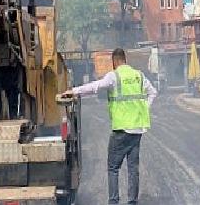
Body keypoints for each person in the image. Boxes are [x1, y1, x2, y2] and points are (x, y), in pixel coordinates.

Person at [61, 48, 157, 205]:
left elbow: (95, 86)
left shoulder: (115, 76)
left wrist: (74, 91)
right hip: (137, 129)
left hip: (121, 130)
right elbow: (153, 92)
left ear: (115, 61)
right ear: (125, 59)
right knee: (133, 168)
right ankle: (132, 202)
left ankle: (113, 201)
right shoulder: (139, 76)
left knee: (113, 168)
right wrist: (144, 109)